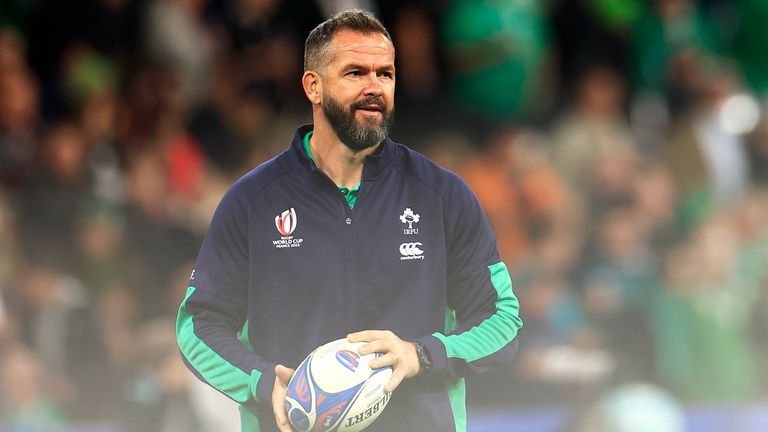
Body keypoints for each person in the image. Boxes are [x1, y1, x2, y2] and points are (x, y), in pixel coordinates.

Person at [176, 10, 522, 432]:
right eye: (356, 72)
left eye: (386, 74)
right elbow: (198, 326)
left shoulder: (442, 195)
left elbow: (502, 318)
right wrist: (263, 382)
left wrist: (423, 355)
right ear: (313, 86)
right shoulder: (252, 202)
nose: (375, 87)